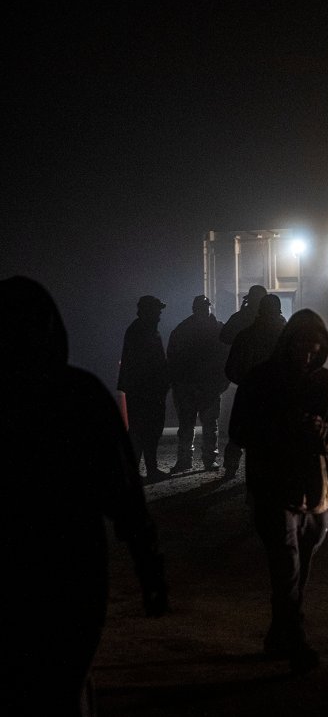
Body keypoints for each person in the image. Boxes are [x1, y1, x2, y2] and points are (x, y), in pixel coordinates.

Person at [2, 276, 169, 716]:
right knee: (64, 673)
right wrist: (148, 567)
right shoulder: (78, 395)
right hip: (71, 564)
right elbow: (124, 493)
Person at [228, 309, 328, 676]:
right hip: (273, 487)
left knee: (298, 570)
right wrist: (279, 430)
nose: (307, 357)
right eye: (302, 348)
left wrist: (321, 432)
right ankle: (295, 641)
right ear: (288, 344)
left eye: (314, 351)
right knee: (287, 568)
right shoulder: (262, 380)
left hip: (316, 491)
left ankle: (278, 635)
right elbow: (240, 430)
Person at [222, 293, 287, 479]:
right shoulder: (284, 336)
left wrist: (244, 382)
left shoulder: (245, 335)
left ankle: (232, 467)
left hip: (250, 392)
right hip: (276, 395)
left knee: (241, 431)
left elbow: (230, 367)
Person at [166, 295, 230, 473]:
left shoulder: (184, 329)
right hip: (197, 386)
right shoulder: (217, 329)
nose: (203, 310)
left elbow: (172, 357)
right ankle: (203, 459)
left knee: (197, 425)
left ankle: (192, 460)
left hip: (197, 386)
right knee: (200, 425)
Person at [117, 294, 171, 482]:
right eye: (157, 311)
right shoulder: (142, 331)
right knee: (144, 431)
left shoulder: (141, 329)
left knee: (146, 431)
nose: (159, 315)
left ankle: (145, 470)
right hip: (145, 391)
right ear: (149, 311)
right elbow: (148, 364)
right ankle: (146, 471)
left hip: (144, 390)